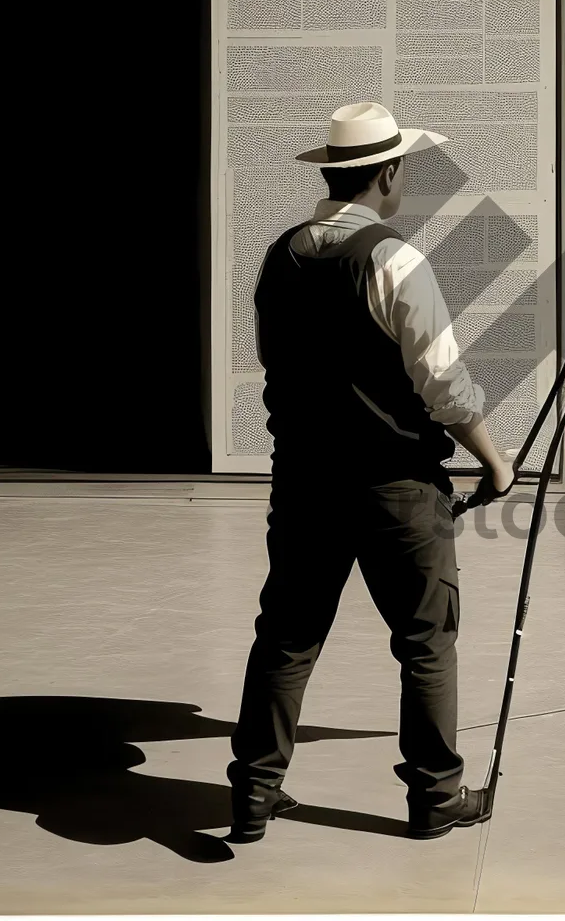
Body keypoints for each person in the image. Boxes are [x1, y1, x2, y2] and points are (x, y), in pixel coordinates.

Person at [226, 101, 515, 844]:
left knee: (286, 637)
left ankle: (254, 795)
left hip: (302, 483)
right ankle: (434, 800)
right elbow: (443, 385)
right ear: (387, 173)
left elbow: (273, 359)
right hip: (396, 487)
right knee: (425, 645)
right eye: (404, 170)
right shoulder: (395, 259)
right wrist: (494, 460)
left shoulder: (281, 255)